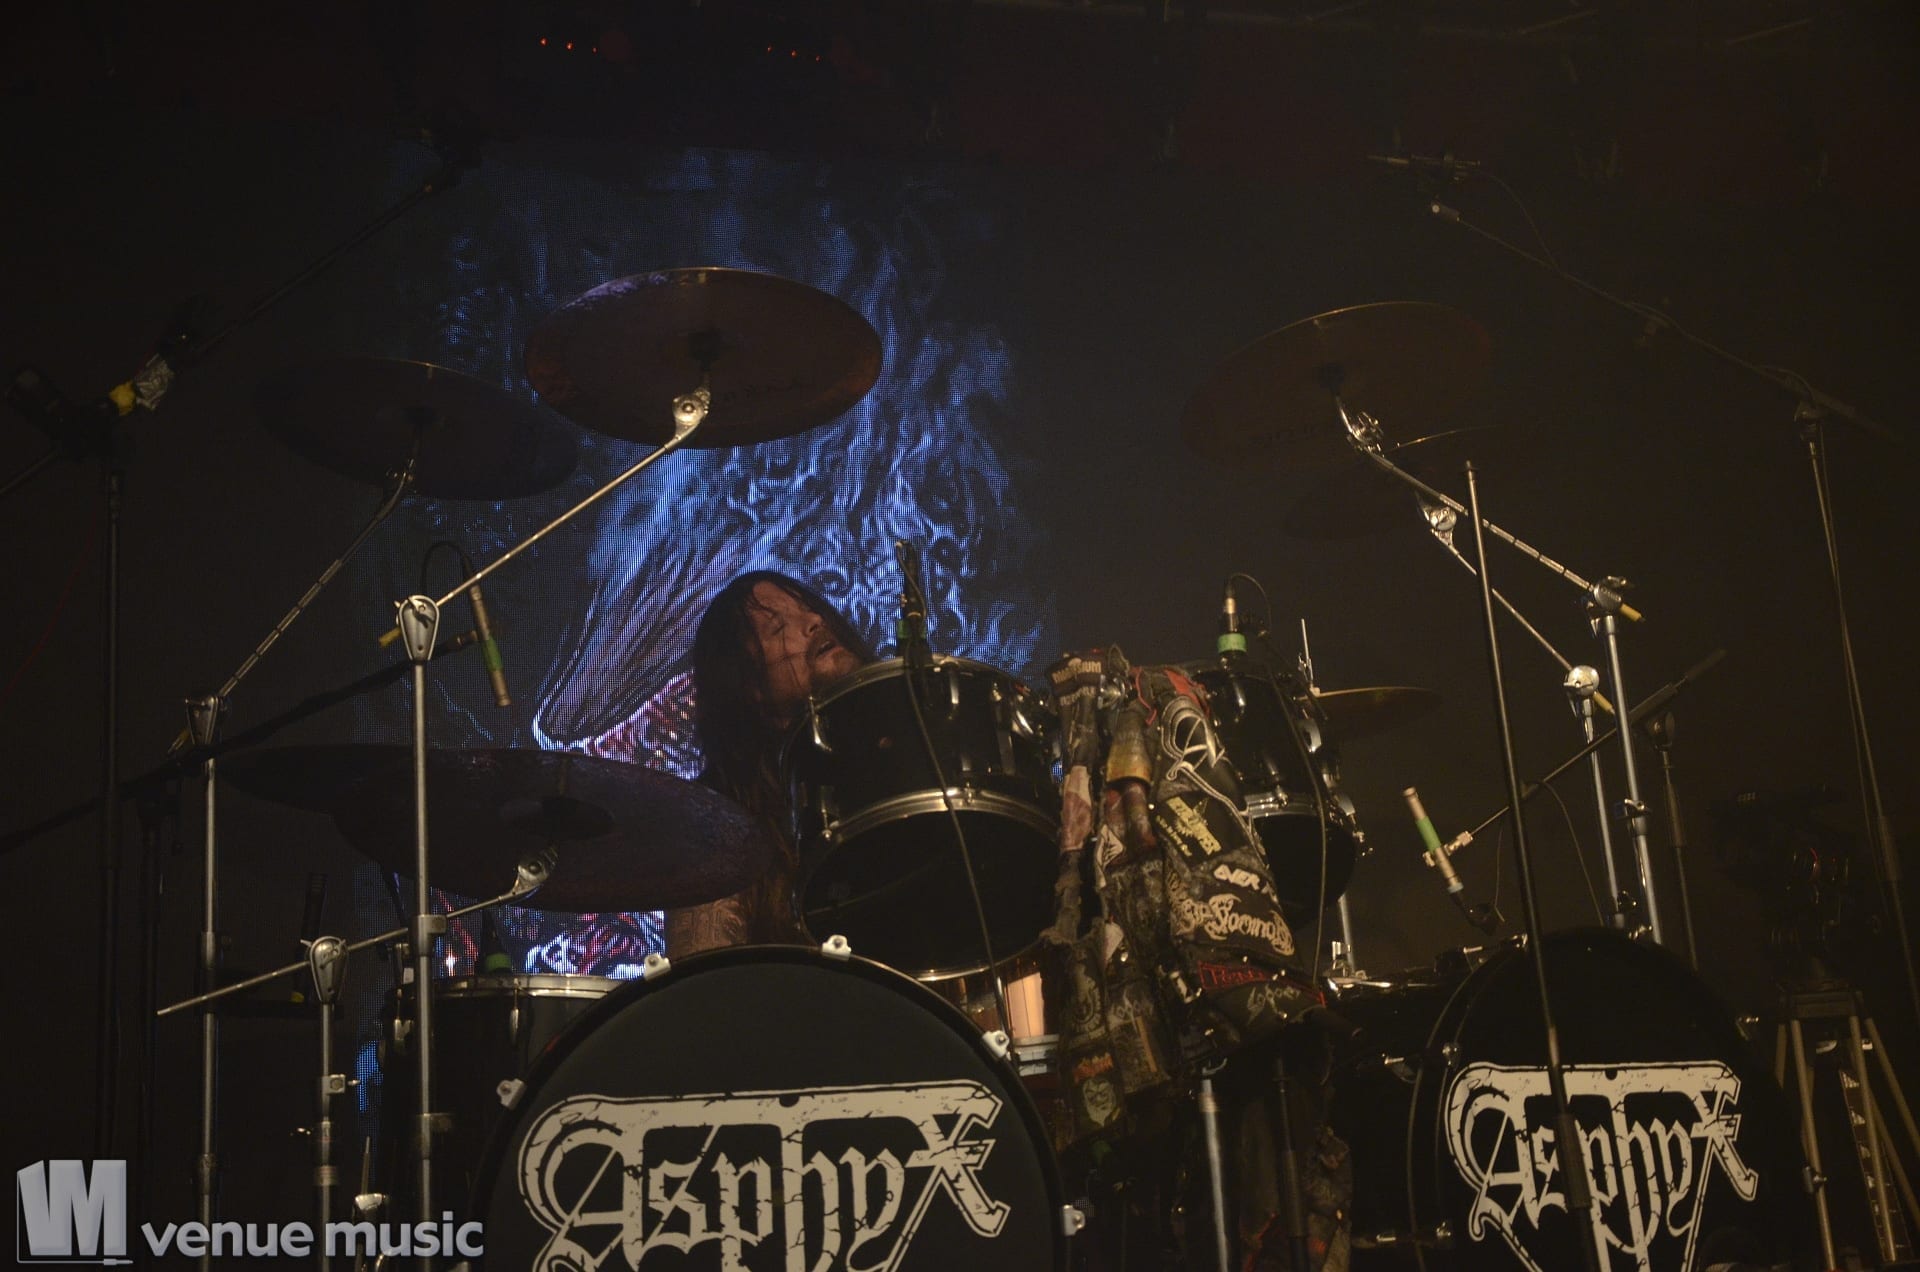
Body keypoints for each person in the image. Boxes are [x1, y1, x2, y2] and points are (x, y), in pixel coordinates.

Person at [664, 570, 874, 957]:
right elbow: (705, 978)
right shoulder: (718, 820)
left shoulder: (903, 743)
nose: (815, 621)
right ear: (748, 687)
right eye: (778, 627)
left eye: (809, 609)